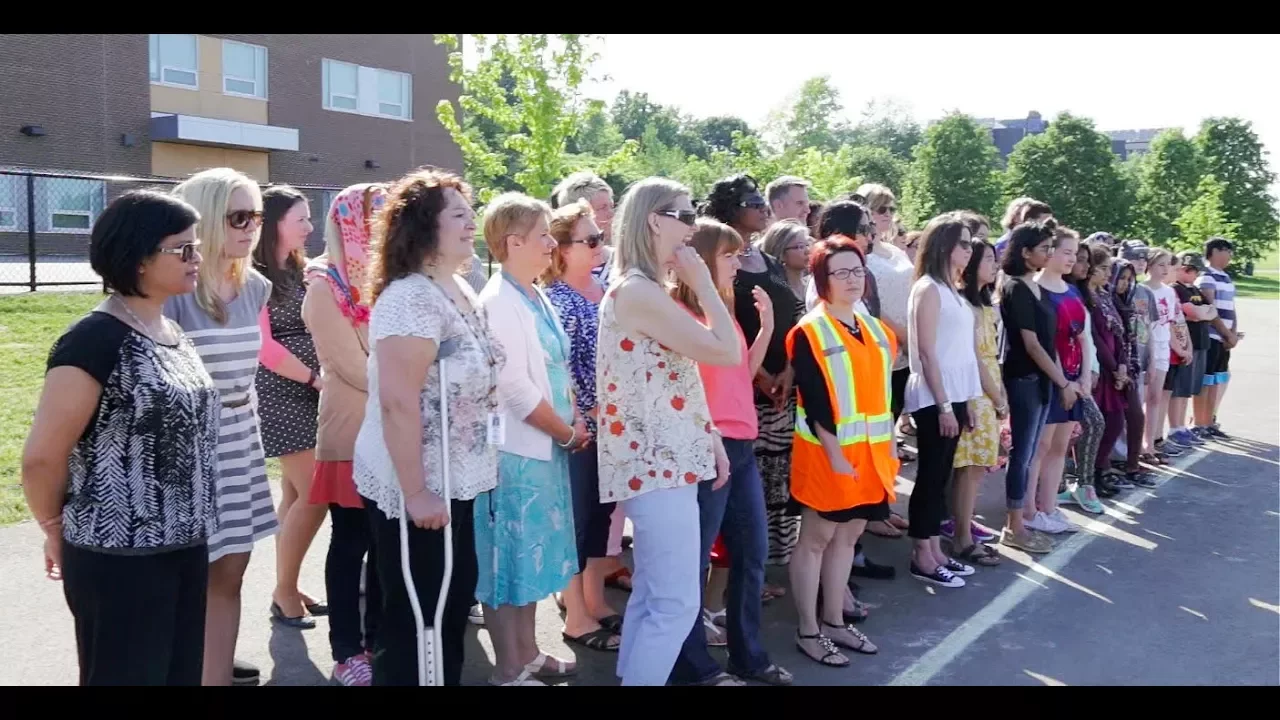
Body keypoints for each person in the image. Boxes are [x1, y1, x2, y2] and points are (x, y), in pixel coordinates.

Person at [22, 191, 216, 685]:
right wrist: (53, 527)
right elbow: (42, 457)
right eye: (183, 249)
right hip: (118, 557)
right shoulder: (94, 340)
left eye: (197, 247)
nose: (196, 258)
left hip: (184, 544)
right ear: (139, 258)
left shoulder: (170, 331)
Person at [352, 168, 498, 686]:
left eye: (470, 212)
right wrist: (415, 492)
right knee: (419, 618)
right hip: (421, 485)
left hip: (455, 482)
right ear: (423, 226)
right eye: (458, 214)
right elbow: (397, 401)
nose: (471, 223)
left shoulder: (456, 287)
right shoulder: (411, 298)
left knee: (449, 609)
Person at [595, 177, 736, 686]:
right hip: (657, 464)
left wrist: (709, 435)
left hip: (662, 460)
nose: (693, 227)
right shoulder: (637, 290)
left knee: (655, 597)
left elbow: (670, 378)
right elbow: (726, 351)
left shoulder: (642, 288)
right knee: (676, 604)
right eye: (686, 215)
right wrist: (704, 284)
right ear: (656, 220)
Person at [668, 219, 793, 686]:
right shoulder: (678, 312)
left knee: (751, 554)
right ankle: (694, 665)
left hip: (740, 447)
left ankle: (748, 657)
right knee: (695, 561)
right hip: (707, 448)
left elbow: (739, 372)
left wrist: (766, 330)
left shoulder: (721, 308)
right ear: (700, 259)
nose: (738, 263)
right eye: (728, 255)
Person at [166, 167, 277, 686]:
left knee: (230, 573)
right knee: (181, 580)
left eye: (257, 215)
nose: (252, 226)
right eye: (238, 216)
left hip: (239, 440)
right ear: (207, 218)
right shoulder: (171, 291)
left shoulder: (256, 287)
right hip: (185, 448)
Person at [475, 193, 584, 686]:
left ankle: (528, 652)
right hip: (516, 453)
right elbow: (515, 388)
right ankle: (507, 667)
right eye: (542, 235)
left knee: (531, 562)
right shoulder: (499, 300)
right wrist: (567, 432)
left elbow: (556, 367)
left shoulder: (532, 293)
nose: (550, 244)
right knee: (507, 563)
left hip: (544, 448)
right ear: (512, 242)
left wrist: (572, 420)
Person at [786, 237, 897, 665]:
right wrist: (835, 455)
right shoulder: (810, 331)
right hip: (828, 456)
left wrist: (889, 448)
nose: (852, 280)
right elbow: (816, 400)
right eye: (841, 273)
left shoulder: (875, 329)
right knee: (816, 540)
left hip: (870, 457)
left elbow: (883, 397)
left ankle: (834, 621)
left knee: (847, 538)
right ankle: (808, 630)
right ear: (822, 280)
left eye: (857, 271)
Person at [302, 182, 387, 685]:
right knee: (352, 540)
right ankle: (346, 651)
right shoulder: (324, 286)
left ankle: (377, 641)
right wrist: (411, 379)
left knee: (383, 543)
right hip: (351, 432)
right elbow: (351, 367)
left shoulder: (384, 279)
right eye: (374, 221)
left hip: (391, 430)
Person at [702, 175, 802, 600]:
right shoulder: (715, 263)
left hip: (782, 389)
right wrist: (760, 376)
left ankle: (756, 574)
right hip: (741, 393)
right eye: (753, 202)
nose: (763, 208)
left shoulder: (768, 261)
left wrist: (789, 372)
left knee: (772, 484)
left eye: (764, 201)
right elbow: (726, 330)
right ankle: (725, 588)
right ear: (730, 209)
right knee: (740, 492)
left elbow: (791, 317)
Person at [544, 199, 623, 649]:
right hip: (581, 431)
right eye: (589, 239)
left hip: (612, 429)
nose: (599, 245)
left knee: (600, 518)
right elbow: (561, 369)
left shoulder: (605, 290)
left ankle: (594, 600)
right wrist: (586, 415)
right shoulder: (557, 300)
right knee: (575, 522)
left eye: (600, 237)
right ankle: (575, 614)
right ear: (561, 249)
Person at [252, 185, 328, 628]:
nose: (309, 227)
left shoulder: (304, 271)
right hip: (281, 393)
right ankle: (283, 591)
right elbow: (265, 348)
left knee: (296, 495)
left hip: (315, 391)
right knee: (316, 493)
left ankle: (288, 583)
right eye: (300, 219)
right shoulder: (255, 277)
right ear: (274, 223)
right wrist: (315, 378)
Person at [903, 213, 981, 587]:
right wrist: (945, 405)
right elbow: (927, 351)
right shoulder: (928, 288)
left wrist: (968, 401)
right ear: (944, 246)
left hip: (955, 394)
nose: (970, 250)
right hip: (935, 396)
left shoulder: (952, 288)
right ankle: (922, 553)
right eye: (963, 243)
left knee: (942, 475)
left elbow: (961, 351)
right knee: (931, 476)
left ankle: (934, 549)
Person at [996, 221, 1063, 554]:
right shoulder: (1015, 288)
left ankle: (1022, 519)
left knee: (1031, 451)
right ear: (1025, 252)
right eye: (1044, 248)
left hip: (1042, 380)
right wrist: (1063, 381)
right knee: (1021, 454)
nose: (1049, 253)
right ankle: (1014, 525)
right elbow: (1032, 345)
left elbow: (1050, 342)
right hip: (1024, 379)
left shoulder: (1035, 287)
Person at [1022, 227, 1090, 536]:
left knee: (1060, 445)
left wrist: (1084, 376)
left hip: (1074, 378)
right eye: (1066, 252)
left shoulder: (1072, 290)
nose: (1071, 259)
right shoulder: (1036, 290)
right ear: (1049, 253)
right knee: (1041, 445)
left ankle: (1049, 507)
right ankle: (1028, 510)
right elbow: (1045, 344)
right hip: (1050, 379)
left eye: (1075, 253)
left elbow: (1082, 337)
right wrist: (1064, 381)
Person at [949, 237, 1005, 566]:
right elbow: (973, 357)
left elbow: (992, 357)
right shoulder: (963, 304)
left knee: (978, 467)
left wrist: (999, 393)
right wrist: (998, 398)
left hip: (990, 390)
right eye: (987, 259)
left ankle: (964, 528)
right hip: (974, 392)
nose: (994, 266)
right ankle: (962, 538)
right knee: (969, 468)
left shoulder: (985, 305)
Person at [1080, 244, 1128, 502]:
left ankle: (1100, 468)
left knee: (1115, 422)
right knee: (1095, 424)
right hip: (1099, 367)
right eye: (1103, 268)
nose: (1109, 273)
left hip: (1114, 368)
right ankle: (1088, 476)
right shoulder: (1085, 297)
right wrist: (1112, 366)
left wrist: (1123, 365)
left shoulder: (1105, 296)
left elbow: (1119, 332)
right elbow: (1095, 337)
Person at [1108, 259, 1157, 488]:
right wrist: (1118, 368)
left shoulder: (1125, 303)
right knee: (1112, 421)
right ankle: (1106, 467)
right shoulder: (1104, 302)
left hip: (1129, 366)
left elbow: (1132, 338)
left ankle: (1132, 465)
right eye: (1121, 278)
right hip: (1110, 368)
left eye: (1129, 279)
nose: (1125, 284)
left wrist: (1132, 366)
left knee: (1136, 416)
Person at [1164, 252, 1214, 449]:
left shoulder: (1194, 289)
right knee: (1179, 389)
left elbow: (1211, 310)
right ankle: (1174, 427)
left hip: (1199, 343)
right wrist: (1199, 313)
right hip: (1184, 343)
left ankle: (1182, 426)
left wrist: (1201, 314)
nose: (1194, 274)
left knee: (1188, 389)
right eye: (1190, 270)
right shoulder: (1176, 289)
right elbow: (1192, 311)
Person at [1143, 248, 1188, 460]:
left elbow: (1169, 324)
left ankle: (1150, 444)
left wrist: (1178, 348)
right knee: (1143, 398)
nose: (1165, 269)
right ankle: (1138, 446)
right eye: (1160, 264)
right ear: (1149, 265)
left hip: (1163, 348)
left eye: (1167, 265)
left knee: (1156, 397)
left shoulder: (1169, 292)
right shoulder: (1141, 290)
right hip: (1145, 348)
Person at [1193, 237, 1239, 439]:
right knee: (1206, 381)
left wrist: (1233, 332)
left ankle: (1210, 421)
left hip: (1224, 339)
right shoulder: (1206, 277)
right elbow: (1210, 310)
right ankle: (1200, 423)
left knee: (1216, 381)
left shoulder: (1226, 277)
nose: (1230, 256)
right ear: (1215, 252)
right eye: (1227, 251)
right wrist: (1226, 333)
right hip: (1212, 336)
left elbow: (1232, 308)